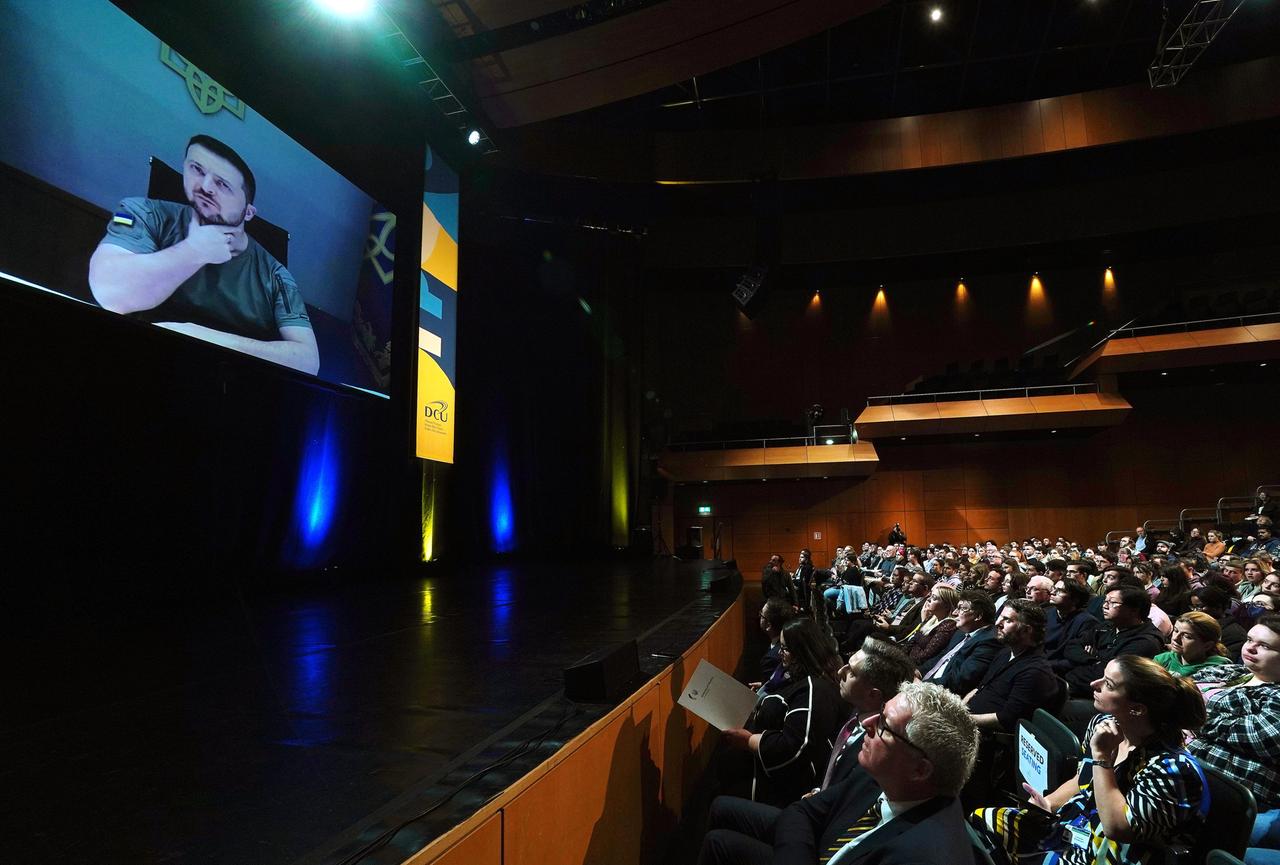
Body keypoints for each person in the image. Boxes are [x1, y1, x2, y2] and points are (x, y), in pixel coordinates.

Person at [88, 135, 320, 374]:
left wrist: (200, 337)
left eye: (223, 185)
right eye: (197, 169)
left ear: (249, 213)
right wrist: (193, 251)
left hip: (230, 380)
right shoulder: (142, 212)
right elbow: (110, 295)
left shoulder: (277, 275)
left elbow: (308, 360)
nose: (206, 187)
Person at [697, 639, 919, 865]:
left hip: (821, 832)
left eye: (851, 672)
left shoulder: (879, 748)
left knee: (718, 842)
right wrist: (819, 792)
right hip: (818, 807)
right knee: (720, 807)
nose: (841, 670)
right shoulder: (856, 712)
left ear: (873, 695)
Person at [972, 655, 1208, 865]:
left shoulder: (1172, 769)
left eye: (1109, 684)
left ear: (1137, 709)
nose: (1095, 685)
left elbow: (1118, 828)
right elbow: (1082, 779)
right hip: (1074, 828)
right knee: (982, 822)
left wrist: (1102, 757)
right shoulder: (1102, 724)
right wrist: (1049, 803)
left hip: (1118, 851)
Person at [771, 682, 982, 865]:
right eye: (880, 712)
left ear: (920, 770)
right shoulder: (884, 777)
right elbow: (803, 812)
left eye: (885, 726)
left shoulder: (922, 856)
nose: (866, 723)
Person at [722, 618, 846, 807]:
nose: (780, 654)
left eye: (785, 648)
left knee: (721, 804)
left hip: (777, 787)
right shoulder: (801, 677)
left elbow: (794, 747)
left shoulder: (815, 689)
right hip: (762, 768)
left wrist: (748, 740)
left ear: (802, 652)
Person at [1187, 615, 1280, 860]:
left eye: (1265, 646)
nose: (1250, 647)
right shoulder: (1229, 671)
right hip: (1181, 767)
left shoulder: (1275, 693)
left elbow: (1261, 736)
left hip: (1224, 790)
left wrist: (1192, 717)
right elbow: (1173, 692)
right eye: (1250, 639)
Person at [963, 599, 1057, 733]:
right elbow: (980, 688)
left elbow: (1006, 720)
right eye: (999, 618)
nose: (997, 623)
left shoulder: (1035, 672)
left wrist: (962, 719)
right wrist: (959, 708)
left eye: (1007, 620)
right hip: (966, 720)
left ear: (1027, 630)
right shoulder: (1006, 652)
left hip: (984, 735)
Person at [925, 591, 1000, 696]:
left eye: (961, 608)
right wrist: (916, 672)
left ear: (978, 615)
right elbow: (940, 658)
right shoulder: (961, 632)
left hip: (943, 694)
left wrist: (923, 685)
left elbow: (960, 680)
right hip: (929, 682)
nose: (955, 612)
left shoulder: (989, 642)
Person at [899, 584, 959, 671]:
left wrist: (903, 662)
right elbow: (912, 641)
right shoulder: (933, 618)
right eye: (930, 596)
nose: (928, 599)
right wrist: (899, 656)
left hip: (915, 668)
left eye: (934, 598)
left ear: (946, 606)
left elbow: (925, 656)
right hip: (906, 660)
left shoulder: (948, 626)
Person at [1153, 611, 1231, 676]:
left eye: (1187, 636)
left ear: (1207, 645)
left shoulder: (1219, 669)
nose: (1175, 638)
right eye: (1176, 630)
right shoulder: (1162, 660)